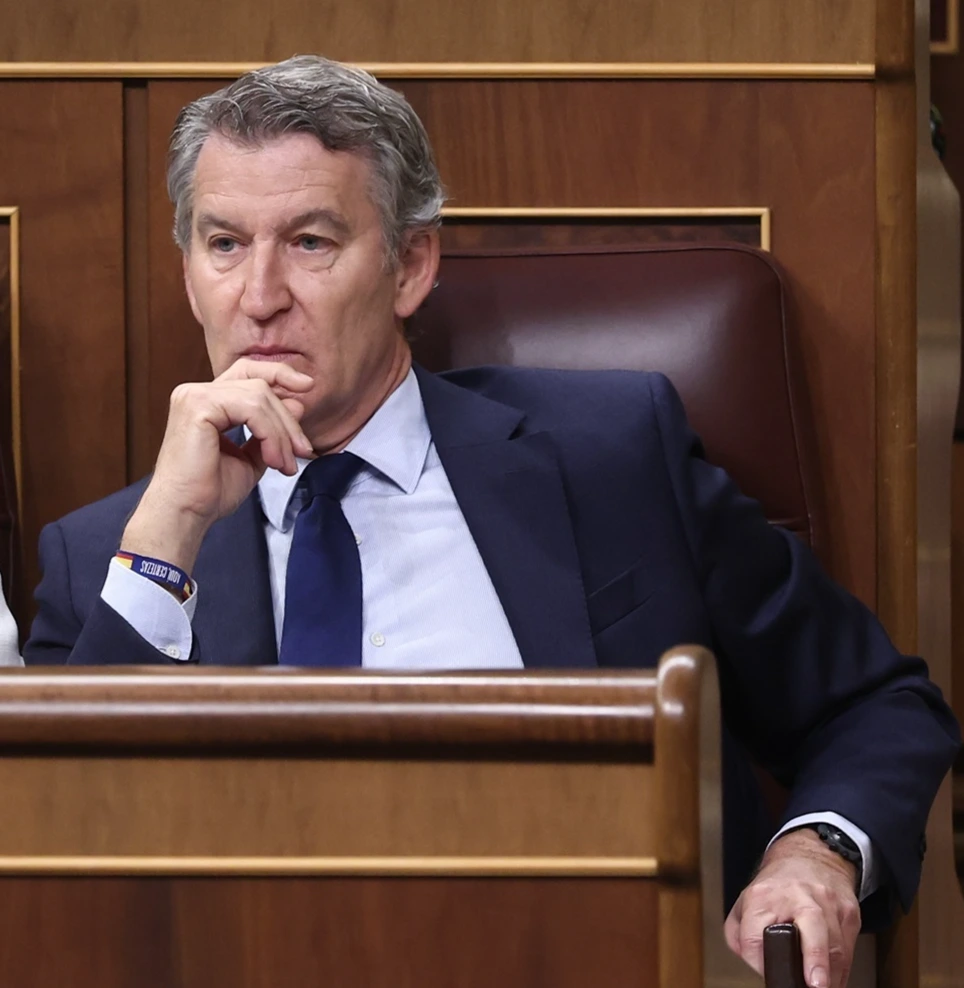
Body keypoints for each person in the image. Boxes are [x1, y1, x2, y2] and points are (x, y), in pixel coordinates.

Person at [23, 55, 959, 988]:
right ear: (188, 274)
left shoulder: (609, 458)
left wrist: (813, 854)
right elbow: (62, 867)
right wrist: (167, 536)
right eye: (224, 244)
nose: (259, 294)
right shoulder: (106, 558)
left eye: (310, 242)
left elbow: (872, 703)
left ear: (411, 266)